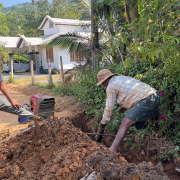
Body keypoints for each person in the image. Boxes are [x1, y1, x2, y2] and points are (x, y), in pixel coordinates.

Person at [96, 69, 160, 152]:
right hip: (155, 95)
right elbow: (132, 92)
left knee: (125, 122)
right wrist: (126, 106)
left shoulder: (110, 86)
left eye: (103, 83)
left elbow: (109, 107)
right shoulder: (121, 78)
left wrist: (103, 122)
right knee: (152, 119)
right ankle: (157, 137)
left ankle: (112, 150)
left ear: (105, 80)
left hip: (146, 100)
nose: (103, 85)